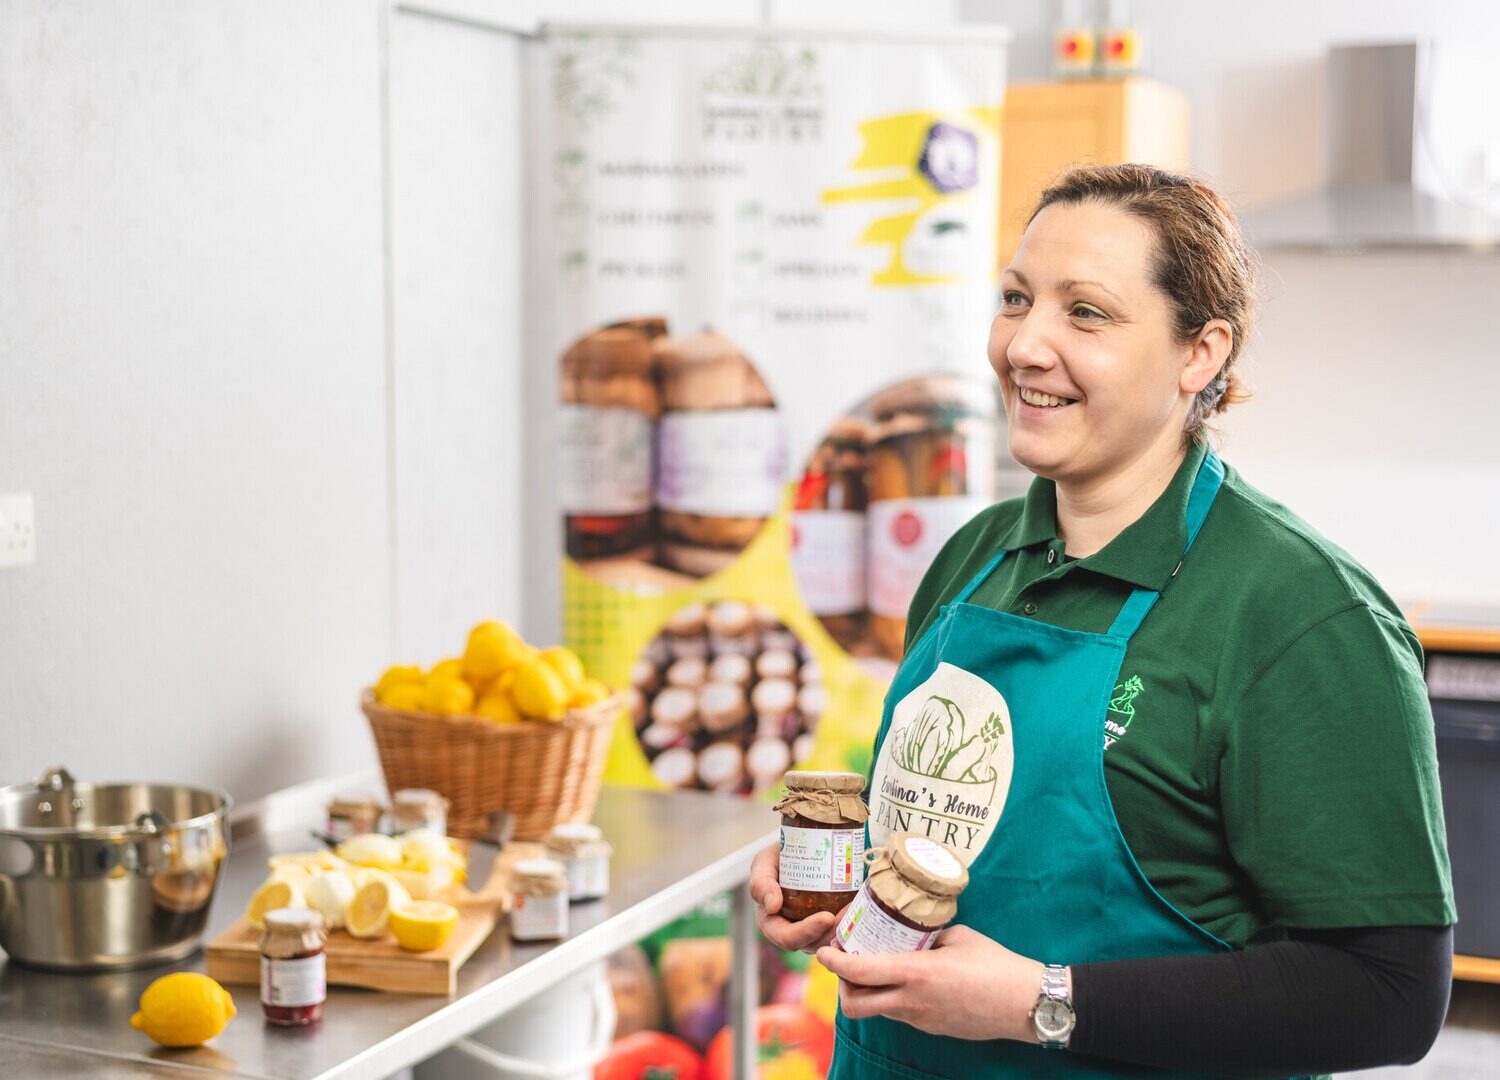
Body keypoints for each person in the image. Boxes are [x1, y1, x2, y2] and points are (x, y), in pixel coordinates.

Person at [750, 164, 1455, 1078]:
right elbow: (958, 840)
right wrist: (835, 874)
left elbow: (1389, 996)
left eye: (1085, 312)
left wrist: (1039, 1004)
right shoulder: (976, 557)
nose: (1025, 345)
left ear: (1199, 353)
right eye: (1016, 298)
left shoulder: (1301, 618)